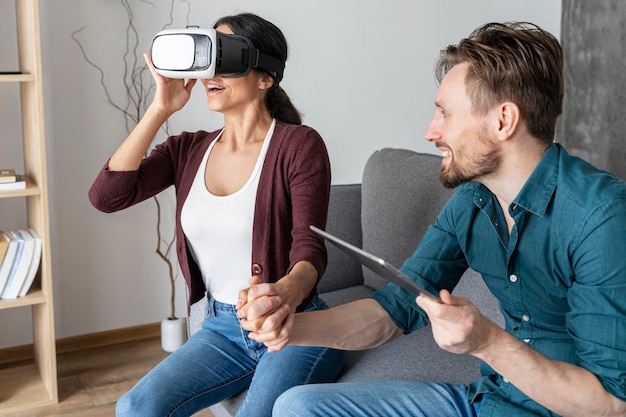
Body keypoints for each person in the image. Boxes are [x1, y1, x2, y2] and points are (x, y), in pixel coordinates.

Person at [238, 22, 626, 417]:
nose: (430, 131)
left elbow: (612, 404)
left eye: (445, 113)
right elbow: (396, 309)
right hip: (486, 401)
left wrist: (487, 341)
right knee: (297, 406)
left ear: (503, 120)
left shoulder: (600, 217)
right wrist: (289, 327)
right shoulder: (472, 201)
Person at [88, 12, 344, 417]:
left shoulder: (299, 145)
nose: (212, 73)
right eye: (210, 59)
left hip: (295, 324)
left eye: (227, 59)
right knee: (135, 407)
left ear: (266, 77)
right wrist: (160, 109)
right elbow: (107, 196)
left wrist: (283, 296)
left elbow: (309, 248)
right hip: (222, 328)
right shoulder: (187, 149)